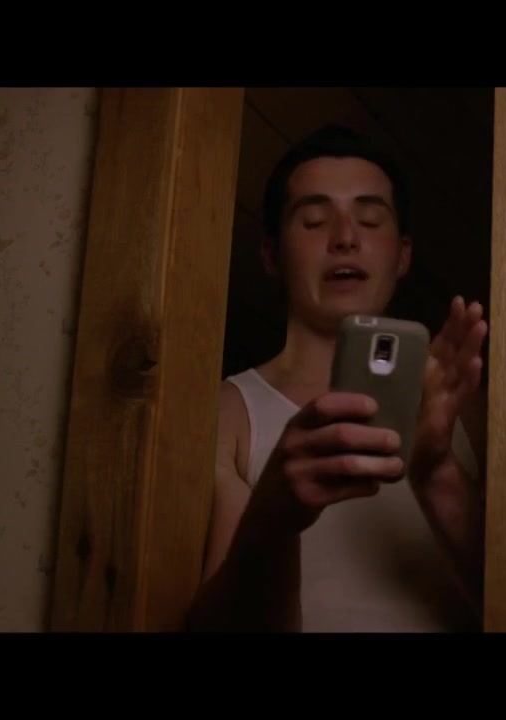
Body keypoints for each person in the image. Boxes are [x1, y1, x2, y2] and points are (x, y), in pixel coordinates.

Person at [187, 124, 488, 632]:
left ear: (403, 255)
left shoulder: (470, 407)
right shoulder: (227, 412)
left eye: (370, 220)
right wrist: (273, 517)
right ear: (271, 255)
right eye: (314, 221)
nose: (345, 238)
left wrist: (436, 469)